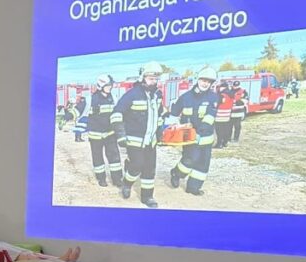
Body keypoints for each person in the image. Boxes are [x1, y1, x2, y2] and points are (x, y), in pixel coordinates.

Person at [112, 62, 165, 208]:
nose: (153, 82)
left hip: (151, 140)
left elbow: (159, 115)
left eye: (156, 79)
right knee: (137, 165)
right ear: (143, 78)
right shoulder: (132, 94)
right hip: (134, 140)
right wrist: (120, 134)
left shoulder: (157, 95)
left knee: (150, 168)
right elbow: (116, 113)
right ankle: (127, 183)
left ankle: (147, 197)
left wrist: (160, 133)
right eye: (150, 78)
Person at [169, 66, 218, 196]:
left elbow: (210, 116)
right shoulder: (185, 97)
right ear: (198, 80)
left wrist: (200, 132)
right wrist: (173, 128)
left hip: (205, 136)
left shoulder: (213, 97)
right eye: (203, 80)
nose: (205, 84)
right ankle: (176, 173)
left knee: (203, 164)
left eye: (208, 82)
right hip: (188, 135)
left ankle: (193, 188)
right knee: (189, 160)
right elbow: (174, 114)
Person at [87, 75, 123, 187]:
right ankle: (101, 178)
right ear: (101, 86)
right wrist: (67, 116)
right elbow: (79, 111)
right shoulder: (91, 99)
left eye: (111, 85)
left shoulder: (114, 98)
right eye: (108, 85)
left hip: (110, 133)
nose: (110, 87)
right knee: (97, 157)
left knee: (114, 157)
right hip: (95, 135)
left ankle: (117, 179)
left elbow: (119, 112)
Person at [213, 82, 233, 148]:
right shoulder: (231, 94)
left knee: (219, 131)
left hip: (220, 115)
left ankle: (219, 144)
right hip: (227, 115)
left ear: (222, 87)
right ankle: (225, 143)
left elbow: (216, 104)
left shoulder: (222, 95)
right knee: (225, 130)